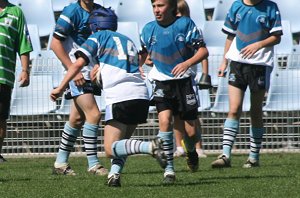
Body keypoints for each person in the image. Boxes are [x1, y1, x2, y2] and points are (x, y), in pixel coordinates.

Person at [50, 8, 167, 187]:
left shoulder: (97, 37)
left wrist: (61, 87)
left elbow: (77, 65)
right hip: (141, 95)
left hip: (120, 96)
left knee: (110, 149)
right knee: (122, 143)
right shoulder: (127, 40)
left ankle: (150, 147)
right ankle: (114, 176)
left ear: (95, 26)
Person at [139, 0, 209, 184]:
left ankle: (191, 150)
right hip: (162, 81)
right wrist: (143, 62)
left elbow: (203, 51)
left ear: (171, 7)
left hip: (184, 82)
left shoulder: (184, 24)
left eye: (160, 6)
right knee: (164, 121)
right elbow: (146, 53)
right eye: (154, 6)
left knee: (192, 132)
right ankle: (169, 170)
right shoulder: (147, 29)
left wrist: (186, 63)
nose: (156, 10)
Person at [211, 0, 282, 168]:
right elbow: (230, 35)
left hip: (260, 64)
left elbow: (277, 37)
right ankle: (225, 155)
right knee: (234, 109)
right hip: (237, 63)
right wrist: (224, 61)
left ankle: (253, 157)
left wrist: (258, 44)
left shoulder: (270, 7)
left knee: (255, 110)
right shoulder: (236, 6)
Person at [50, 0, 108, 176]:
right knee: (94, 114)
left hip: (91, 72)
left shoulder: (100, 11)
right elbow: (55, 44)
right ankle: (94, 164)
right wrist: (73, 71)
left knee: (76, 119)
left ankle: (60, 163)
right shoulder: (71, 11)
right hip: (78, 73)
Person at [173, 0, 208, 159]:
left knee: (192, 116)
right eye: (176, 13)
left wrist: (205, 74)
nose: (179, 17)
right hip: (172, 78)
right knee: (176, 116)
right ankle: (180, 147)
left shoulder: (193, 30)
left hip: (189, 78)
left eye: (181, 13)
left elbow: (202, 53)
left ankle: (198, 147)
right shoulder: (168, 30)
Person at [0, 0, 32, 162]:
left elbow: (23, 43)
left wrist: (25, 70)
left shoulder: (16, 12)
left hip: (4, 75)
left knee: (0, 117)